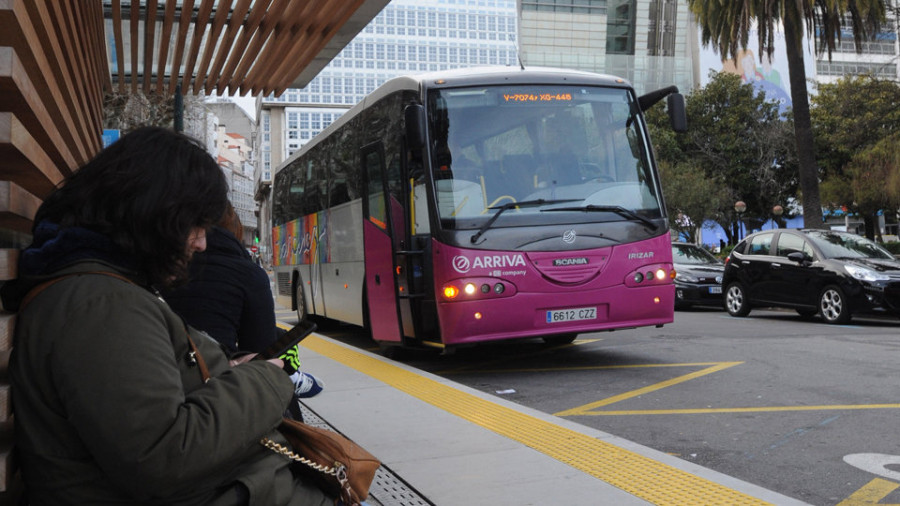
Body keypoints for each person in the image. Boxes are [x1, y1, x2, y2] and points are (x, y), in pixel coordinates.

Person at [2, 127, 330, 505]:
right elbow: (164, 456)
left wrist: (232, 372)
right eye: (196, 225)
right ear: (155, 212)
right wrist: (267, 379)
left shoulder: (104, 292)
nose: (203, 243)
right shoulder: (101, 307)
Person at [163, 202, 324, 403]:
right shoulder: (248, 274)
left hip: (166, 377)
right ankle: (291, 377)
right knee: (275, 351)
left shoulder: (162, 270)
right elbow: (260, 352)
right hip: (214, 391)